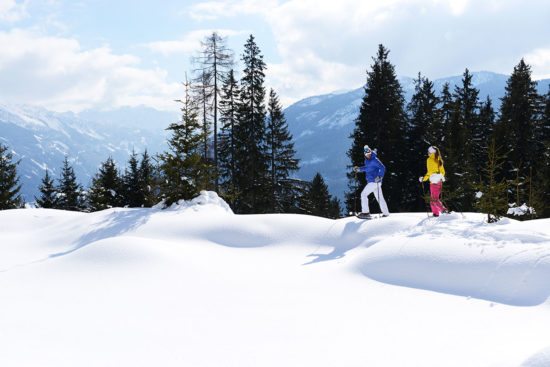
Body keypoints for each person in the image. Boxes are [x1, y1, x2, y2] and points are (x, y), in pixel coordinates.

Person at [353, 145, 390, 218]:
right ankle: (386, 213)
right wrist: (359, 169)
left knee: (363, 194)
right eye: (367, 154)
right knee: (380, 198)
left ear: (371, 152)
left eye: (369, 153)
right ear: (365, 154)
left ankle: (365, 213)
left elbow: (382, 167)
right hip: (375, 182)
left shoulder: (374, 160)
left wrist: (380, 176)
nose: (368, 155)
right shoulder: (367, 160)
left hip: (374, 181)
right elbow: (367, 168)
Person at [419, 146, 446, 217]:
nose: (427, 153)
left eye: (428, 151)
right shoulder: (439, 159)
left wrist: (423, 179)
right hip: (439, 181)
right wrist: (439, 177)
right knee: (434, 198)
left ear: (431, 152)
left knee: (433, 199)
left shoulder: (429, 160)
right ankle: (441, 211)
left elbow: (429, 172)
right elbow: (443, 172)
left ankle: (439, 212)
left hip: (434, 182)